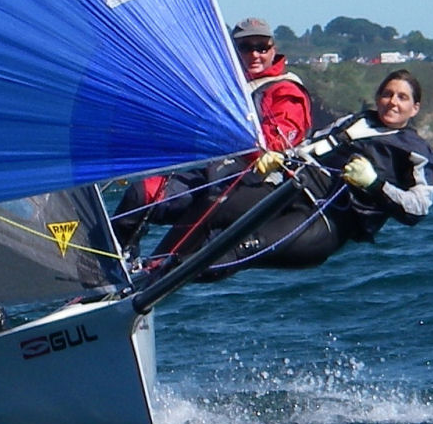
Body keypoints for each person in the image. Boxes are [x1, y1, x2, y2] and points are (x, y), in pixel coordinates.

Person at [154, 69, 433, 281]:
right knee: (217, 203)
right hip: (293, 189)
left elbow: (418, 209)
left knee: (244, 246)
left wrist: (375, 184)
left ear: (414, 108)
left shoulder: (415, 151)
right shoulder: (358, 120)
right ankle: (154, 266)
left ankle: (163, 281)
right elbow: (311, 143)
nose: (392, 102)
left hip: (326, 223)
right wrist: (277, 158)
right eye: (387, 94)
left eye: (402, 98)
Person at [112, 17, 312, 258]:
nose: (255, 54)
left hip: (256, 185)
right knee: (142, 193)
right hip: (213, 175)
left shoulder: (284, 90)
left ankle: (157, 269)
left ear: (273, 50)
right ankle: (110, 265)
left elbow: (278, 142)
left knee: (203, 214)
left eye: (262, 47)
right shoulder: (228, 89)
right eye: (246, 48)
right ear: (233, 51)